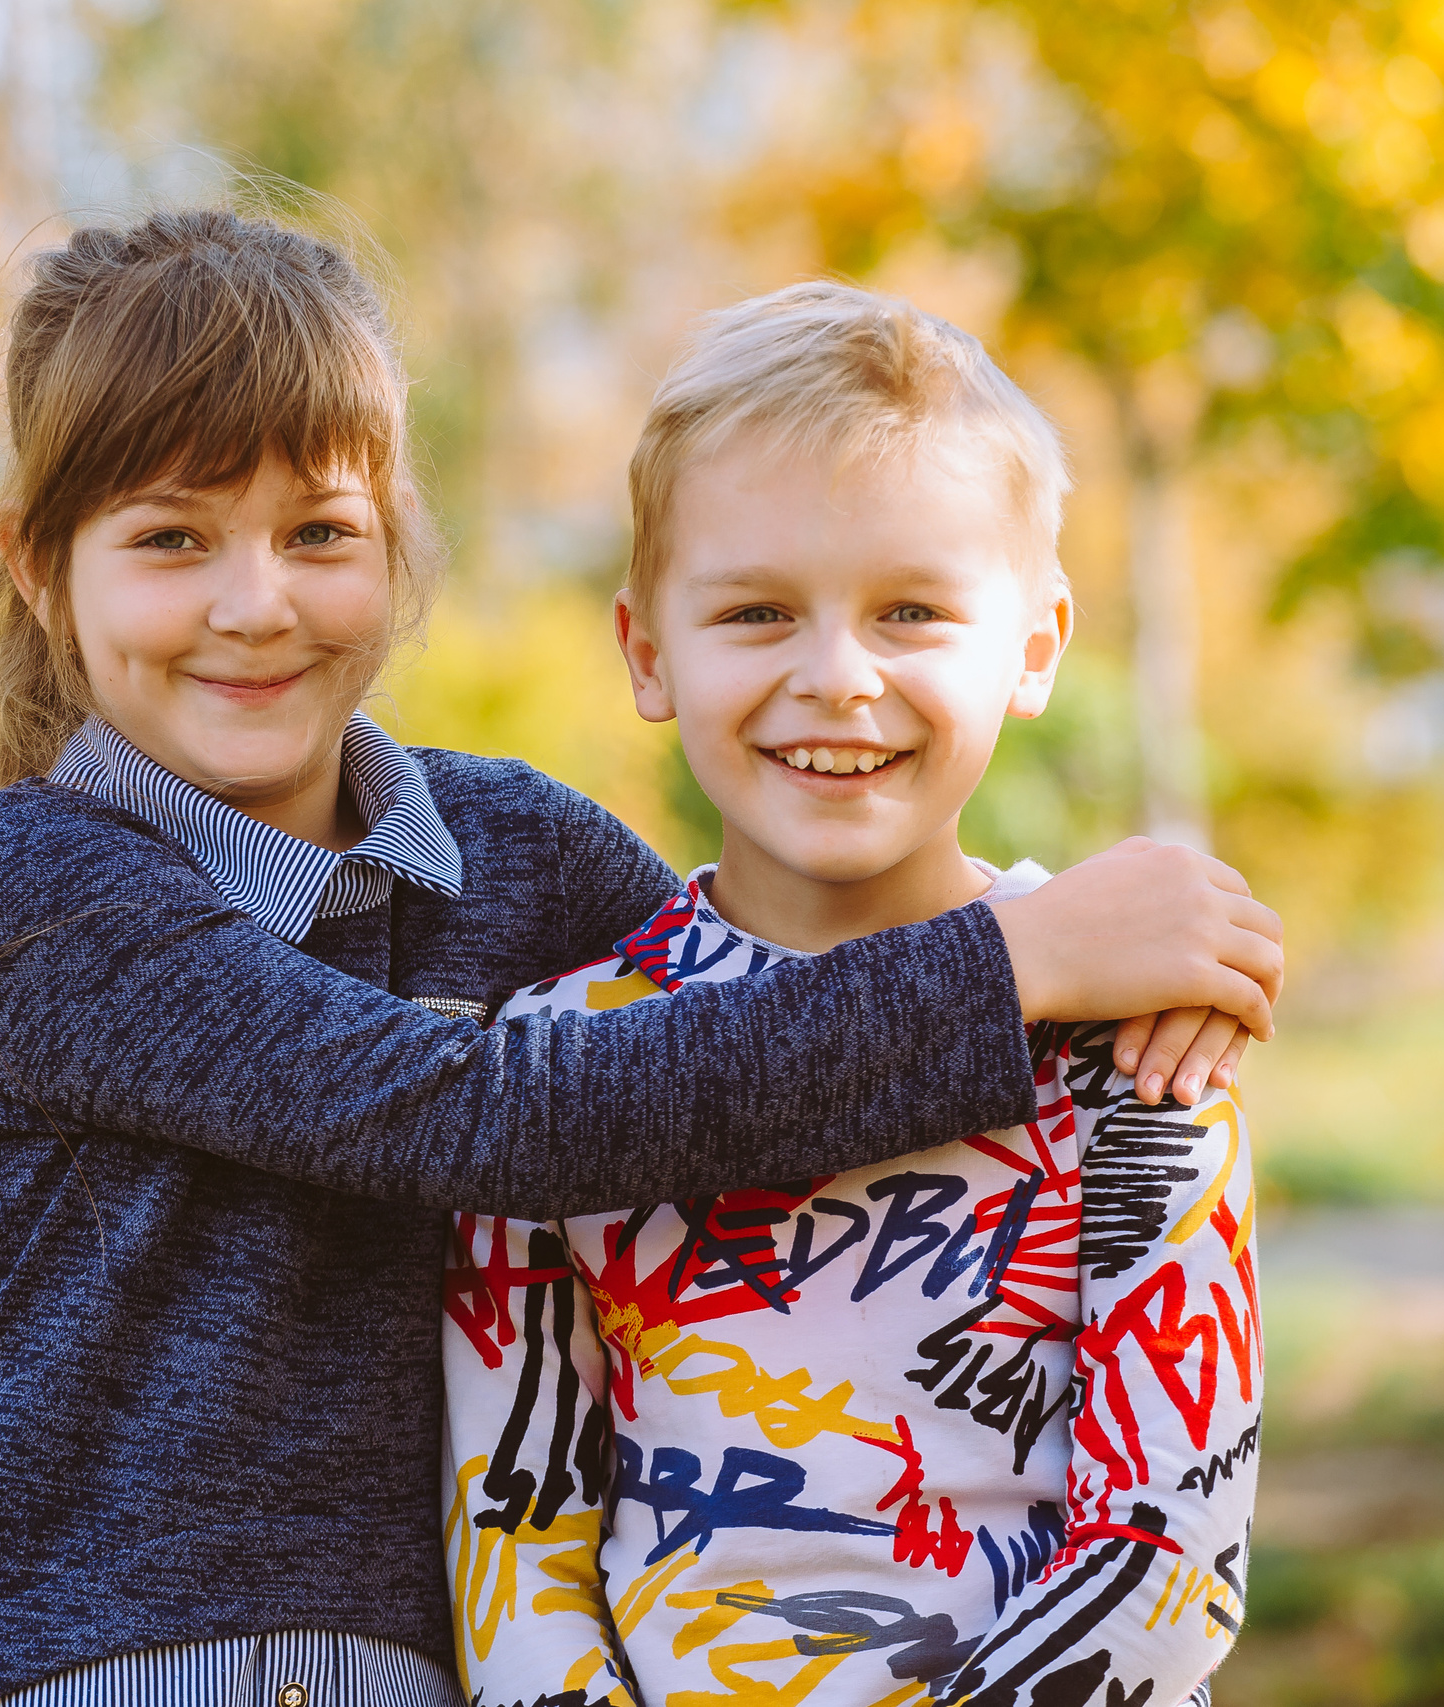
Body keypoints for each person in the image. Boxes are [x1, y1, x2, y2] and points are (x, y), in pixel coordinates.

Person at [0, 208, 1280, 1707]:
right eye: (168, 538)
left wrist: (1161, 963)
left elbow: (751, 1030)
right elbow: (494, 1114)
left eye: (318, 531)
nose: (254, 602)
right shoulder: (21, 883)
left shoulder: (518, 854)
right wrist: (1024, 957)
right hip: (64, 1672)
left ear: (395, 541)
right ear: (37, 565)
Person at [442, 283, 1261, 1707]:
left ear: (1038, 644)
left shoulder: (1132, 1040)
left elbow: (1167, 1554)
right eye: (757, 612)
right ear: (646, 651)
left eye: (912, 611)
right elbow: (516, 1546)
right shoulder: (556, 1063)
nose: (837, 678)